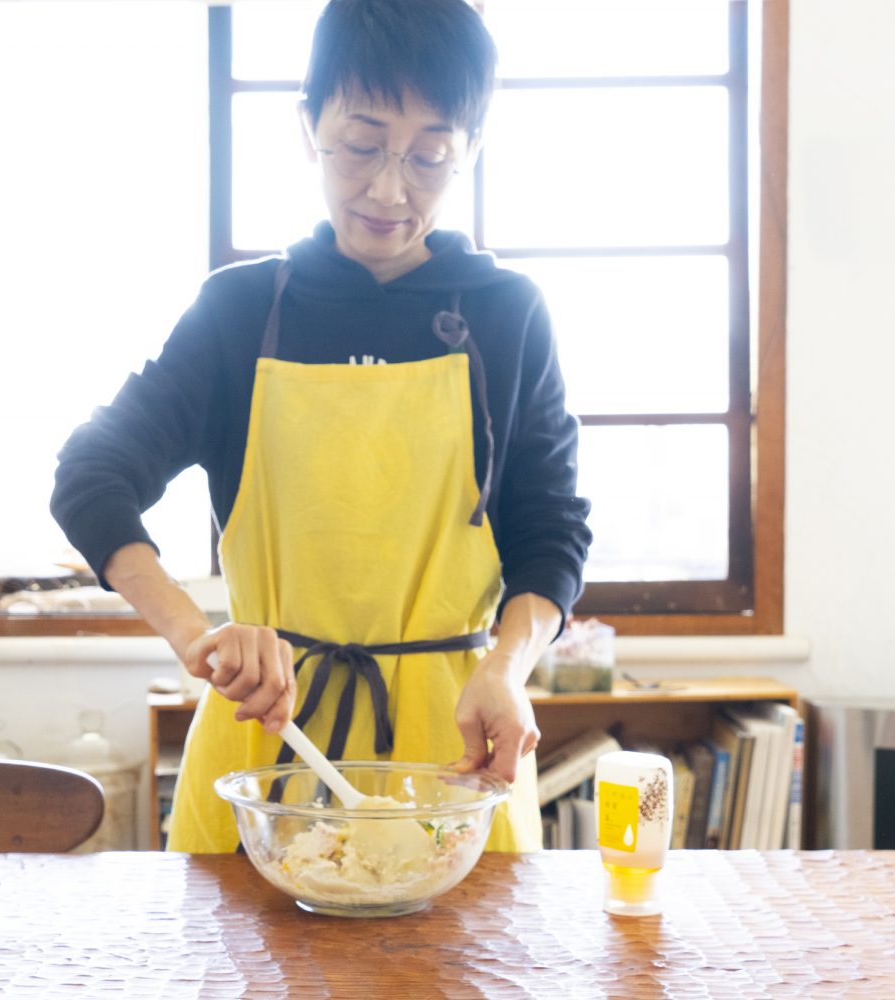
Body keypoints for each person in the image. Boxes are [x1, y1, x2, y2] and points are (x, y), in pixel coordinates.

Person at [51, 0, 591, 853]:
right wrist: (197, 635)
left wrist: (508, 666)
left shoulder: (507, 315)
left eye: (429, 156)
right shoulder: (240, 311)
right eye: (361, 145)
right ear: (309, 127)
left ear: (471, 149)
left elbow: (551, 531)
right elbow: (91, 474)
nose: (389, 189)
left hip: (454, 750)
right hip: (266, 741)